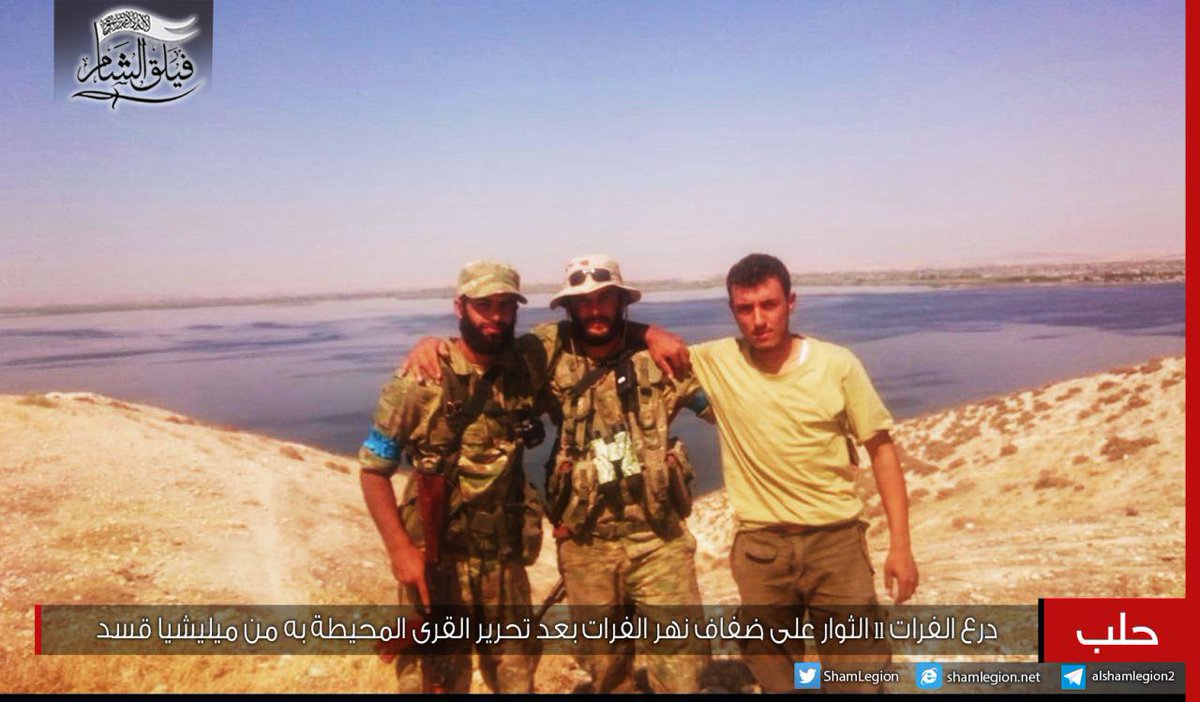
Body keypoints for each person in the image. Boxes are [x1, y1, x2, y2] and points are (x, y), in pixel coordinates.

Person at [404, 254, 711, 693]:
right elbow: (481, 353)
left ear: (622, 302)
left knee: (682, 671)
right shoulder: (544, 358)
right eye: (583, 302)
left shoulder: (659, 361)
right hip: (586, 546)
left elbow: (720, 409)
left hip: (658, 540)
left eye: (606, 299)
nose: (595, 310)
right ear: (568, 309)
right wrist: (433, 346)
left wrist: (651, 333)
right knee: (605, 670)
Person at [687, 253, 919, 692]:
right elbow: (650, 350)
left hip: (836, 544)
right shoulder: (717, 360)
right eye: (745, 308)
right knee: (777, 678)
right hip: (761, 550)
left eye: (769, 305)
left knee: (859, 676)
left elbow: (882, 452)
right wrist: (649, 332)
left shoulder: (838, 364)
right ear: (732, 310)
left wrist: (901, 547)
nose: (758, 320)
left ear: (791, 302)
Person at [358, 260, 544, 693]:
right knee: (435, 682)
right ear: (460, 307)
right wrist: (400, 550)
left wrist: (647, 332)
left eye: (505, 305)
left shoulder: (525, 367)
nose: (496, 316)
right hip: (436, 560)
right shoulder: (419, 380)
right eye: (484, 305)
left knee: (517, 680)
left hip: (502, 560)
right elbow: (373, 470)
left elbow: (590, 331)